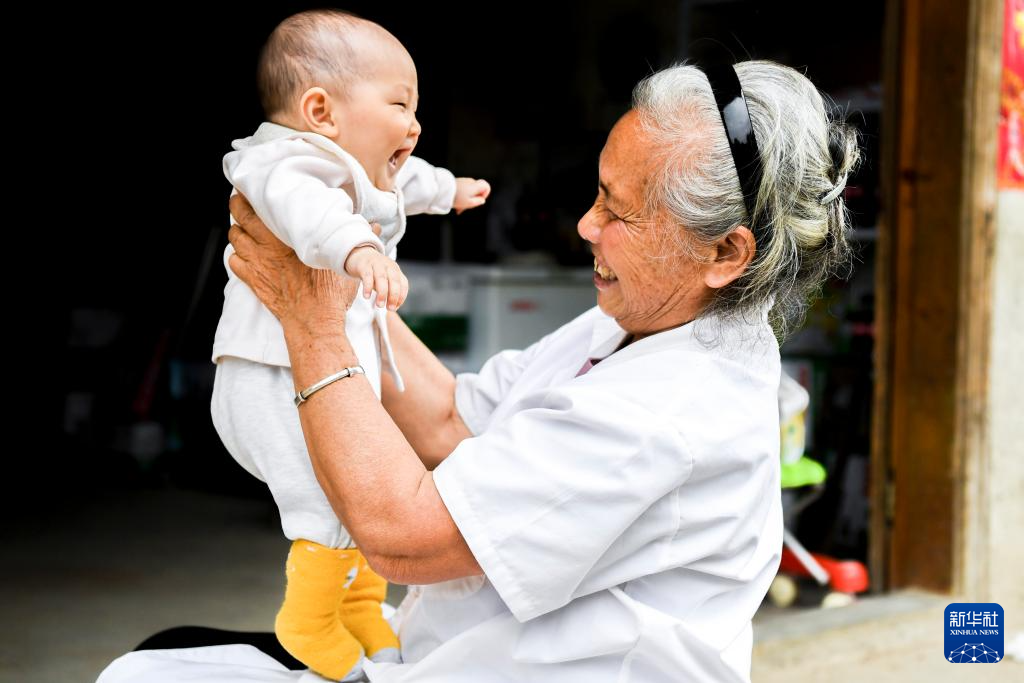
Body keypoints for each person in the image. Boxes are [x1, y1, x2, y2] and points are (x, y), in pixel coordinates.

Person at [98, 59, 857, 683]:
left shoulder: (670, 410)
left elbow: (403, 534)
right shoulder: (646, 318)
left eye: (618, 213)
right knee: (170, 650)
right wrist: (327, 275)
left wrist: (312, 318)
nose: (587, 225)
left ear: (725, 254)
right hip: (449, 649)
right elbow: (452, 419)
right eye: (597, 191)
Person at [209, 9, 490, 681]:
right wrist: (360, 249)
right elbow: (311, 213)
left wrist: (449, 190)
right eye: (399, 103)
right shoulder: (285, 163)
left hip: (314, 371)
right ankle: (306, 622)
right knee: (323, 495)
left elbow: (406, 180)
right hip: (268, 378)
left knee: (361, 479)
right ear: (320, 110)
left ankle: (363, 604)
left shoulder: (360, 170)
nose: (413, 124)